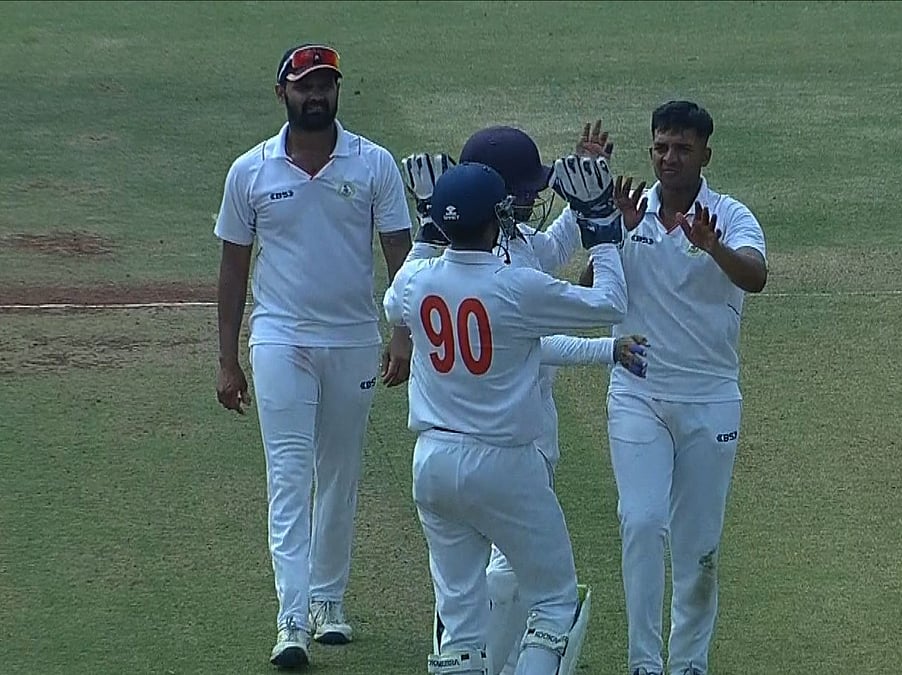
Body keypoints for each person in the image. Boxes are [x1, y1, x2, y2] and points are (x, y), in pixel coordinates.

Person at [399, 123, 646, 675]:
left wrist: (428, 221)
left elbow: (399, 295)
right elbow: (607, 300)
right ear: (500, 211)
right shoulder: (513, 284)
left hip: (433, 461)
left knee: (460, 624)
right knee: (556, 605)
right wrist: (603, 225)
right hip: (505, 458)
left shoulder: (416, 282)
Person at [212, 43, 413, 669]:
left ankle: (329, 601)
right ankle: (291, 616)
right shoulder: (251, 171)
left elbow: (400, 256)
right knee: (289, 476)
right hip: (279, 338)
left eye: (326, 84)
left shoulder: (374, 164)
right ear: (283, 94)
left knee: (341, 474)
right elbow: (233, 267)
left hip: (353, 340)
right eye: (305, 85)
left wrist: (402, 332)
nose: (317, 95)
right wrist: (226, 357)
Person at [580, 100, 768, 675]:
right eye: (661, 146)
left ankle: (689, 663)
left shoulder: (730, 215)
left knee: (698, 547)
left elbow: (756, 278)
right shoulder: (628, 211)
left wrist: (713, 248)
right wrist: (613, 236)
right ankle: (644, 662)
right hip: (637, 394)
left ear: (706, 153)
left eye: (683, 148)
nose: (669, 158)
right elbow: (588, 290)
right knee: (640, 523)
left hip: (710, 398)